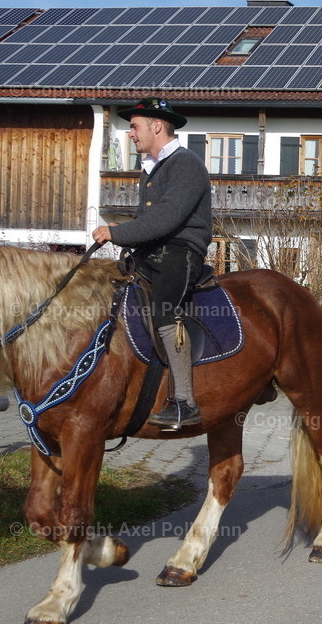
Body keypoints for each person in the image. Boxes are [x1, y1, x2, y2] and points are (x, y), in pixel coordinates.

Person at [92, 97, 211, 429]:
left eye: (134, 127)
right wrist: (124, 231)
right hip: (151, 250)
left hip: (180, 251)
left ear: (157, 126)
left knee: (164, 310)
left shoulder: (186, 163)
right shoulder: (152, 168)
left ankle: (185, 402)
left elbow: (167, 217)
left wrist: (118, 233)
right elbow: (149, 221)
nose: (131, 133)